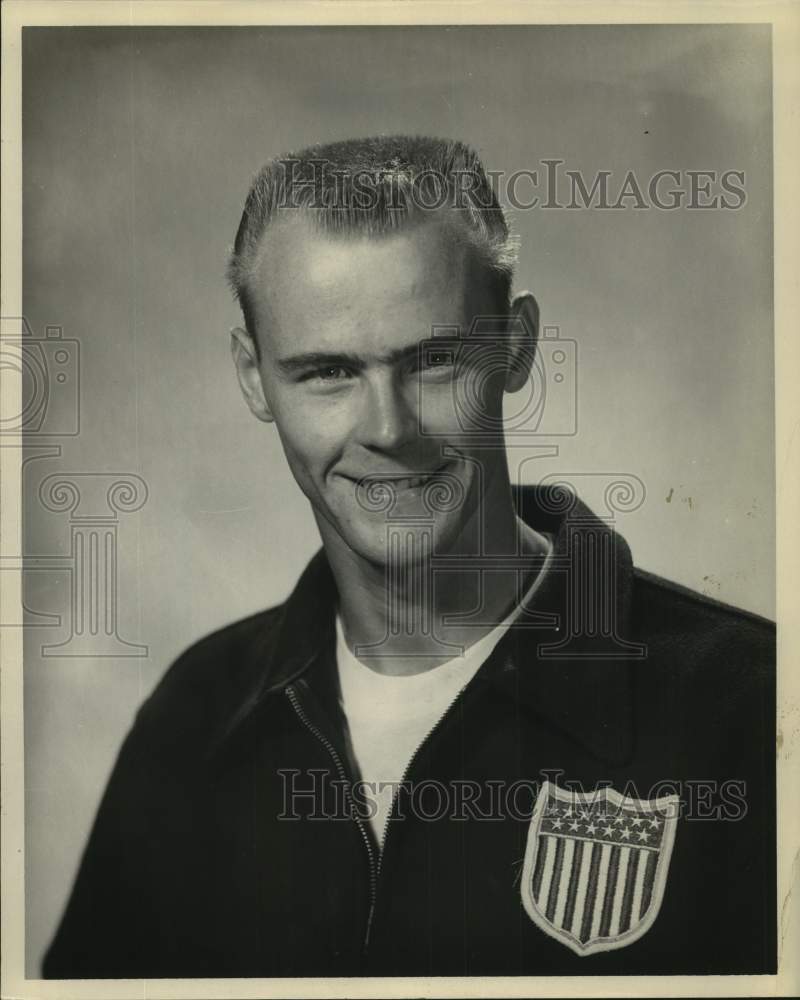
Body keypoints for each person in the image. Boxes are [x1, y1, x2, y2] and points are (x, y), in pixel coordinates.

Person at [43, 136, 775, 978]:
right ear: (254, 379)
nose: (388, 429)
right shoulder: (191, 721)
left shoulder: (751, 712)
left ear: (517, 345)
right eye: (327, 372)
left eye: (433, 362)